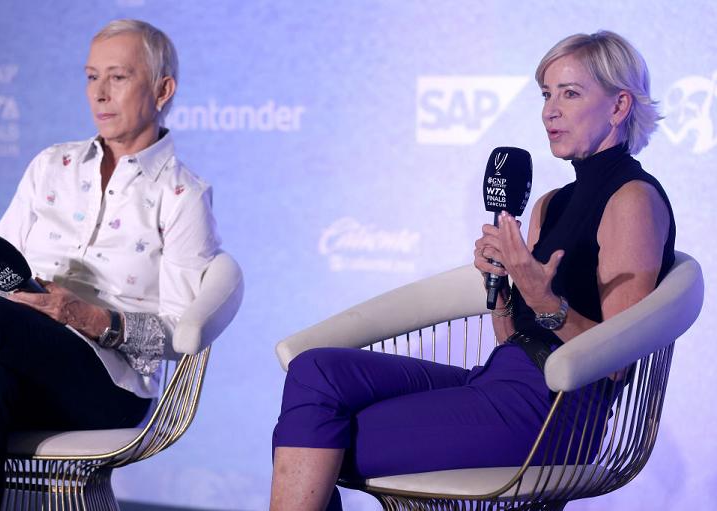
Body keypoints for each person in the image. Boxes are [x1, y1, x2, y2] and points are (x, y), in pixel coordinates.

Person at [270, 30, 675, 510]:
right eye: (546, 94)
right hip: (500, 380)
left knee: (315, 430)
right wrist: (502, 284)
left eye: (570, 93)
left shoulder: (633, 200)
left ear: (618, 106)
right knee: (316, 371)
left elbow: (618, 360)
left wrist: (544, 300)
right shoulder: (550, 204)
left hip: (557, 414)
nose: (550, 110)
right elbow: (511, 340)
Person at [0, 19, 225, 510]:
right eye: (91, 76)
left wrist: (86, 316)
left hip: (110, 384)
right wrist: (20, 302)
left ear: (163, 90)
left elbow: (180, 334)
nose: (99, 93)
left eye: (117, 77)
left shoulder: (182, 196)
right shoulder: (49, 166)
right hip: (20, 351)